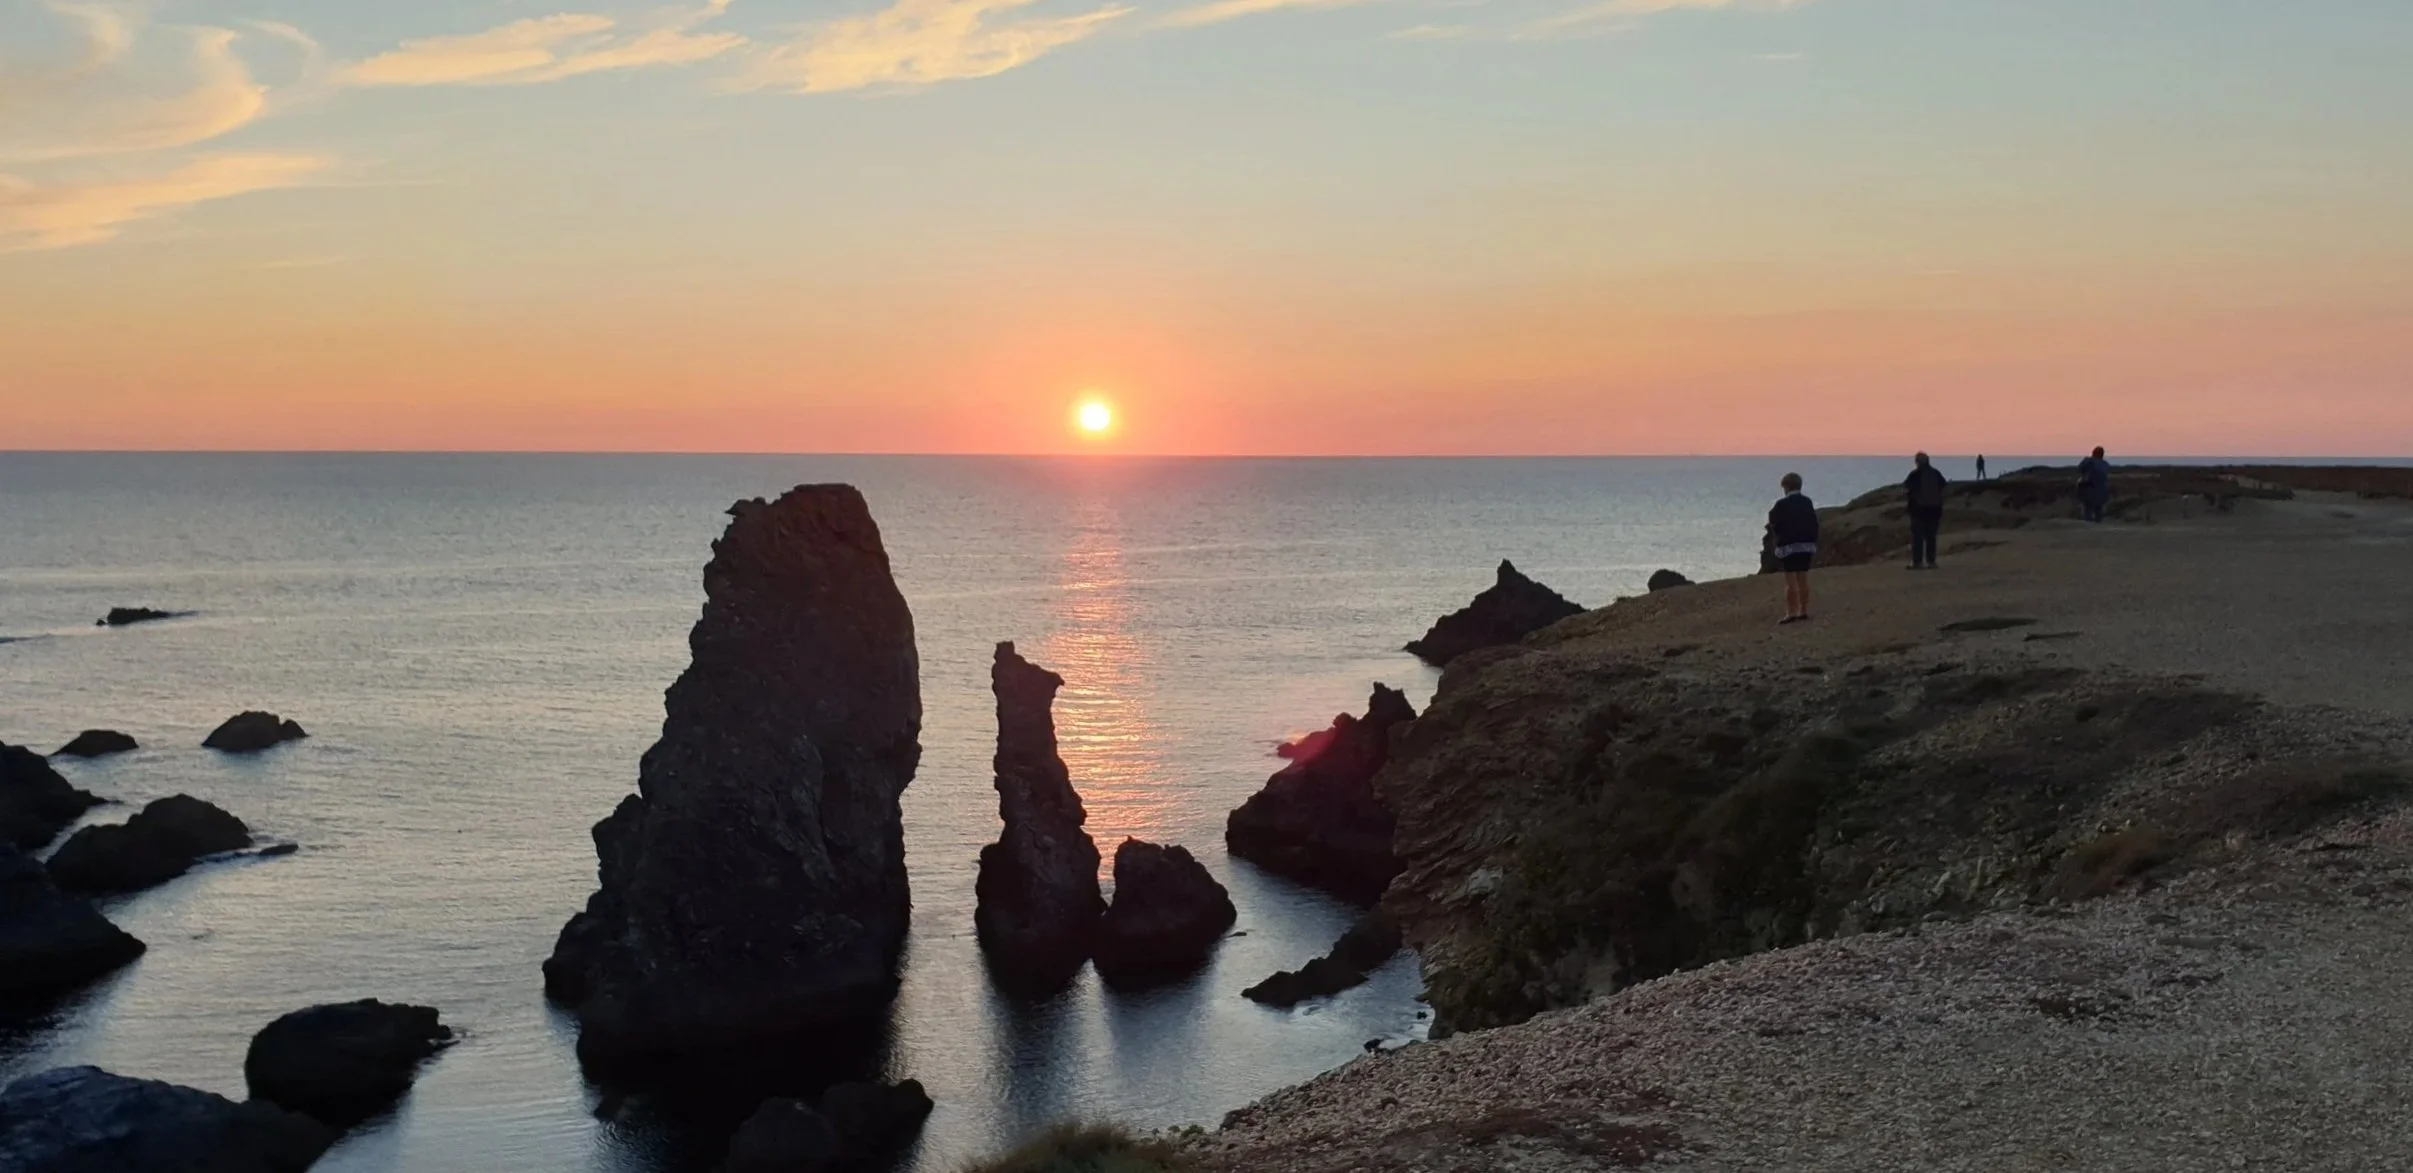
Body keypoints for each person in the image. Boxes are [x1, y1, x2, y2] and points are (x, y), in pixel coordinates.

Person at [1768, 472, 1818, 624]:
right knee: (1803, 578)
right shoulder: (1807, 502)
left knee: (1790, 580)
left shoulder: (1781, 504)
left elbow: (1774, 521)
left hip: (1789, 545)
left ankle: (1791, 612)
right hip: (1806, 544)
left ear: (1786, 487)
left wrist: (1778, 537)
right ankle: (1803, 610)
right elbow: (1813, 522)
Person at [1903, 452, 1947, 569]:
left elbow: (1907, 487)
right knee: (1931, 536)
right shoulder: (1936, 473)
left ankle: (1917, 562)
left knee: (1917, 537)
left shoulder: (1915, 474)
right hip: (1934, 509)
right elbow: (1943, 485)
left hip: (1919, 509)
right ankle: (1931, 561)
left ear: (1917, 462)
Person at [2076, 446, 2111, 523]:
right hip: (2102, 490)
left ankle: (2088, 523)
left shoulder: (2088, 461)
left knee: (2087, 508)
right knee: (2098, 508)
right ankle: (2097, 523)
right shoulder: (2105, 464)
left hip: (2088, 488)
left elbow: (2079, 469)